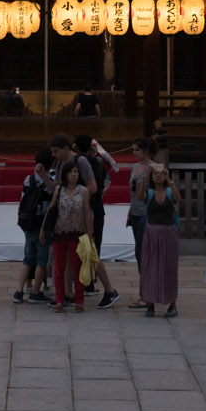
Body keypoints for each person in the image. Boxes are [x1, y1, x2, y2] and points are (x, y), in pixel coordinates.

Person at [137, 145, 182, 317]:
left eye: (160, 173)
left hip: (168, 233)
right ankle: (150, 303)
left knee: (169, 268)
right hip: (152, 233)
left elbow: (178, 198)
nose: (158, 176)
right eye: (156, 173)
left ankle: (172, 304)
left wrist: (169, 178)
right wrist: (147, 175)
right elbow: (139, 196)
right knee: (150, 268)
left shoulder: (170, 192)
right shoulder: (149, 192)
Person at [49, 144, 92, 311]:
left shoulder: (84, 191)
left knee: (77, 268)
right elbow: (51, 210)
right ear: (65, 174)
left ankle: (79, 301)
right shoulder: (59, 190)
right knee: (59, 269)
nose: (74, 174)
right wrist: (44, 230)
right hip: (60, 232)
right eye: (71, 172)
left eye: (76, 172)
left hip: (77, 233)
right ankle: (60, 300)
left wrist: (90, 234)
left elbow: (87, 214)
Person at [80, 133, 120, 308]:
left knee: (89, 246)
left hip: (88, 206)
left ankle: (91, 284)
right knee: (93, 245)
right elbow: (106, 182)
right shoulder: (97, 162)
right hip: (97, 205)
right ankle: (89, 282)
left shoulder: (79, 163)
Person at [14, 147, 53, 303]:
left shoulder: (27, 179)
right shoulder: (49, 180)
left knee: (27, 258)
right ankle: (35, 291)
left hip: (27, 223)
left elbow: (23, 198)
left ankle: (19, 291)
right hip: (42, 224)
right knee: (42, 260)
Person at [126, 135, 157, 296]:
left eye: (137, 150)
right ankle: (146, 288)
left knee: (142, 252)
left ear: (146, 151)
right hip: (136, 211)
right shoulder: (135, 167)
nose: (135, 152)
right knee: (139, 252)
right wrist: (130, 211)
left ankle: (147, 290)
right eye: (134, 149)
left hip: (147, 212)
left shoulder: (154, 168)